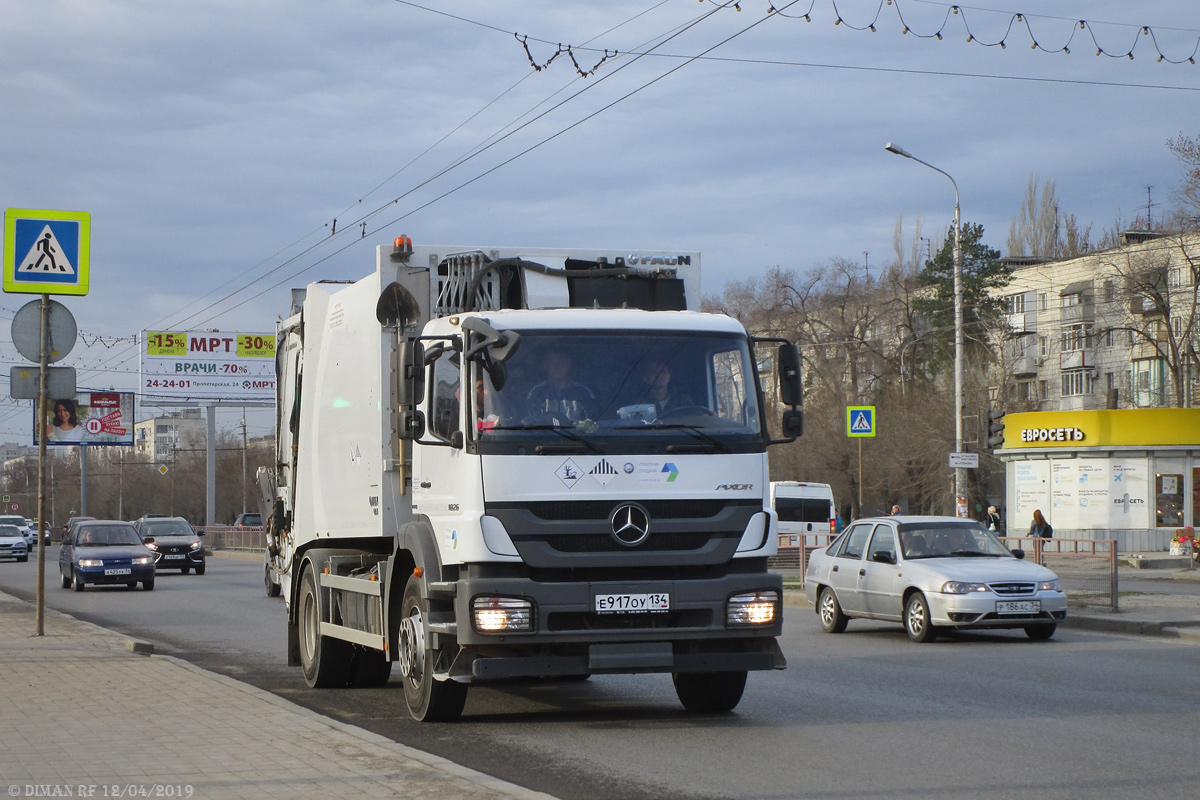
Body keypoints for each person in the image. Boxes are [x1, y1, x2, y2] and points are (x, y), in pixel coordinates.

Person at [526, 350, 595, 424]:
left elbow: (593, 425)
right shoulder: (537, 392)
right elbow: (532, 424)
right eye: (552, 363)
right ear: (546, 366)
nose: (557, 367)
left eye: (562, 363)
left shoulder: (584, 392)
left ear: (568, 365)